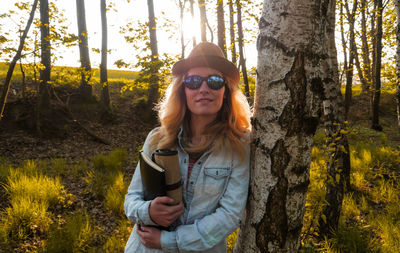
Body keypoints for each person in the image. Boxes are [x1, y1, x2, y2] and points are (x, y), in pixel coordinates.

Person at [124, 42, 251, 252]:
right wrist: (149, 211)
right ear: (183, 90)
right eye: (193, 81)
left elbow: (230, 214)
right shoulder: (157, 139)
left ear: (226, 91)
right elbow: (131, 200)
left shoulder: (240, 145)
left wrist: (169, 241)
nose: (203, 89)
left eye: (214, 81)